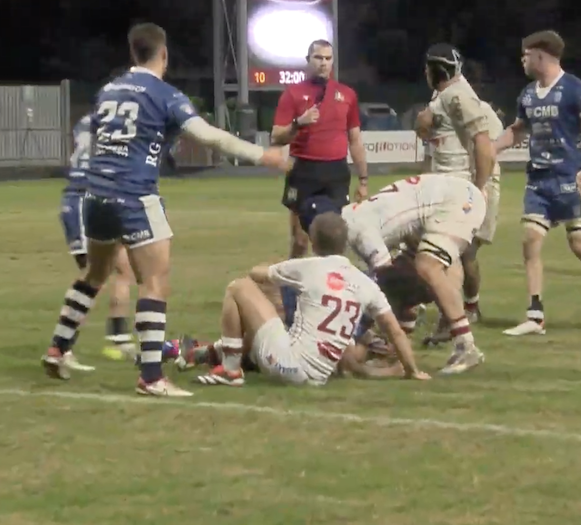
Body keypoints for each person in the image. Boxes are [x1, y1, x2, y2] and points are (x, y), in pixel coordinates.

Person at [41, 22, 288, 396]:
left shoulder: (108, 90)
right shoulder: (164, 94)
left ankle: (58, 348)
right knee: (155, 282)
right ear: (164, 54)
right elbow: (206, 135)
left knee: (95, 275)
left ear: (132, 53)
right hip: (134, 196)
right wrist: (261, 155)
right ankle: (152, 377)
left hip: (94, 197)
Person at [182, 212, 429, 386]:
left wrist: (281, 268)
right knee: (270, 318)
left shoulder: (309, 266)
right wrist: (412, 370)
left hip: (290, 364)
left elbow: (256, 274)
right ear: (345, 245)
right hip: (320, 376)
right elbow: (395, 332)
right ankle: (209, 354)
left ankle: (230, 369)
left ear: (313, 241)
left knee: (239, 288)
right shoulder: (365, 283)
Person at [494, 30, 581, 336]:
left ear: (541, 55)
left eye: (526, 55)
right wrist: (490, 146)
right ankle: (535, 315)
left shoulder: (575, 89)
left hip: (570, 177)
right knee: (530, 239)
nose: (522, 60)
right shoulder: (527, 94)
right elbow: (518, 129)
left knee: (580, 244)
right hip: (539, 179)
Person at [339, 174, 488, 374]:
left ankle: (466, 345)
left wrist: (358, 327)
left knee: (426, 266)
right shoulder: (353, 218)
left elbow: (381, 280)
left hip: (456, 200)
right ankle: (396, 355)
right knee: (403, 274)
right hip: (445, 199)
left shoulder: (359, 232)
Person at [270, 39, 369, 325]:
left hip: (336, 173)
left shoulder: (347, 94)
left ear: (332, 61)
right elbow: (276, 136)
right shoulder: (293, 94)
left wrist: (363, 178)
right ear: (308, 60)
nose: (323, 63)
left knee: (336, 241)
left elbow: (355, 139)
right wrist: (299, 123)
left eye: (327, 58)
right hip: (304, 172)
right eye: (317, 57)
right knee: (301, 241)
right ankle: (291, 301)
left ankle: (332, 301)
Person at [414, 43, 503, 329]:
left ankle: (460, 311)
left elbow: (485, 147)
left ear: (433, 71)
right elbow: (427, 132)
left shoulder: (462, 98)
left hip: (468, 182)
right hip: (447, 182)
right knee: (440, 249)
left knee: (461, 253)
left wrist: (479, 188)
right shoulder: (443, 97)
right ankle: (444, 308)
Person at [59, 112, 137, 365]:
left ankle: (118, 338)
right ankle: (62, 347)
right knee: (93, 280)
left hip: (84, 199)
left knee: (122, 271)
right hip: (86, 199)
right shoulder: (116, 123)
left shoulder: (85, 120)